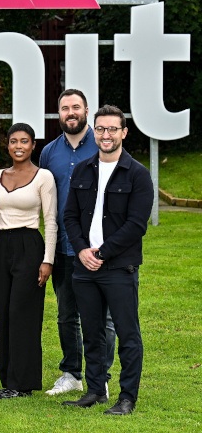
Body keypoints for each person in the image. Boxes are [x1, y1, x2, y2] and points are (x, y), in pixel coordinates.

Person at [62, 105, 152, 416]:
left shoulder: (138, 174)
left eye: (113, 129)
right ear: (94, 131)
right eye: (100, 129)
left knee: (127, 333)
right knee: (92, 332)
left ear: (124, 132)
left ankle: (127, 398)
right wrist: (83, 250)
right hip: (84, 268)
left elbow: (136, 225)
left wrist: (102, 253)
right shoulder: (83, 169)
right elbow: (70, 216)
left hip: (119, 268)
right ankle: (96, 390)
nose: (106, 134)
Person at [40, 89, 116, 396]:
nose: (70, 112)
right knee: (66, 313)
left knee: (102, 317)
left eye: (76, 107)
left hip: (98, 247)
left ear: (86, 110)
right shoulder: (49, 153)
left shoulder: (103, 147)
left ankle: (102, 376)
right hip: (62, 247)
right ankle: (71, 372)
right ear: (58, 114)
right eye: (65, 108)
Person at [0, 123, 58, 399]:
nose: (18, 146)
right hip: (1, 245)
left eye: (25, 141)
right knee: (3, 312)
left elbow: (51, 220)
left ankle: (24, 383)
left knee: (24, 313)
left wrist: (48, 260)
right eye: (13, 141)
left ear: (33, 146)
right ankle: (8, 380)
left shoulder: (44, 177)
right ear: (7, 145)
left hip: (30, 246)